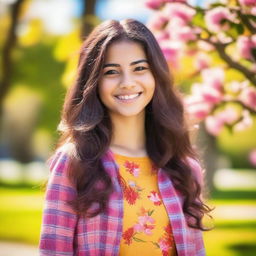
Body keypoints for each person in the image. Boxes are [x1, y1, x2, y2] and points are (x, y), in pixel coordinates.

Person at [39, 19, 212, 256]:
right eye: (111, 72)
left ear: (156, 76)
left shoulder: (184, 169)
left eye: (139, 68)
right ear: (93, 82)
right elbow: (53, 251)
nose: (127, 83)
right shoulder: (73, 163)